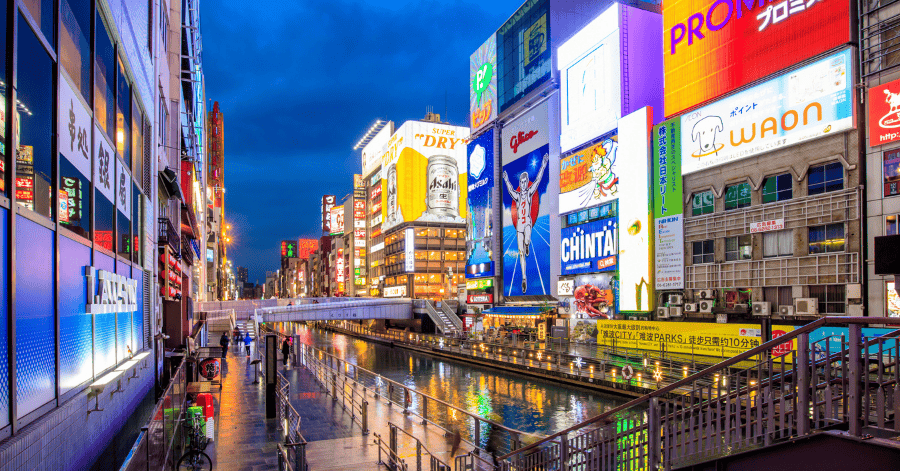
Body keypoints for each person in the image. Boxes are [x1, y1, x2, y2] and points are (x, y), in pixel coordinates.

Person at [502, 153, 549, 293]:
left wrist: (544, 164)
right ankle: (524, 278)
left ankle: (527, 244)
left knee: (527, 240)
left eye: (524, 182)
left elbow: (539, 180)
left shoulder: (529, 193)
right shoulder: (517, 196)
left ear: (526, 181)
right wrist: (506, 179)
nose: (522, 185)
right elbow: (510, 189)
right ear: (520, 183)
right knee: (521, 253)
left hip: (527, 223)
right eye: (521, 183)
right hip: (519, 227)